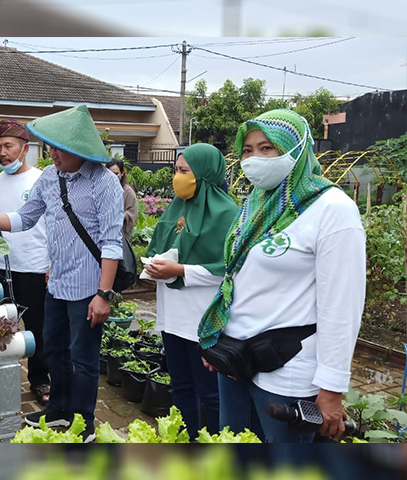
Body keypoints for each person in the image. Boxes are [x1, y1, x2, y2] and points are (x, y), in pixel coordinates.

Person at [198, 109, 366, 443]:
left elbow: (342, 306)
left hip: (287, 370)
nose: (254, 158)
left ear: (296, 149)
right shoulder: (256, 203)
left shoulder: (332, 208)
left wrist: (332, 387)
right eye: (247, 150)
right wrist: (217, 341)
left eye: (267, 148)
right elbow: (238, 281)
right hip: (236, 360)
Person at [0, 105, 124, 443]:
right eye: (50, 147)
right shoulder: (49, 178)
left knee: (83, 359)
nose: (52, 154)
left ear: (79, 149)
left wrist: (104, 295)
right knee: (53, 348)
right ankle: (58, 409)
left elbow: (112, 243)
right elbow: (26, 217)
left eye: (58, 148)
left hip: (89, 288)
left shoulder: (104, 183)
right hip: (56, 284)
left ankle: (83, 422)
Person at [144, 143, 239, 440]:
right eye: (176, 170)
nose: (177, 177)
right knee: (181, 385)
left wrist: (181, 271)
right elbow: (162, 246)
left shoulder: (227, 214)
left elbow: (230, 269)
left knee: (210, 392)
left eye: (184, 171)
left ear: (204, 173)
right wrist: (155, 267)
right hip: (172, 315)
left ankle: (212, 444)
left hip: (203, 320)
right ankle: (186, 439)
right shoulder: (176, 207)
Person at [0, 119, 51, 406]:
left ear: (25, 149)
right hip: (0, 266)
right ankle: (1, 376)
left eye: (8, 146)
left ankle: (39, 379)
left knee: (37, 327)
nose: (2, 153)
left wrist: (52, 263)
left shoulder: (41, 180)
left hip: (35, 266)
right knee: (1, 326)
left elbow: (53, 225)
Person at [106, 157, 138, 240]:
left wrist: (118, 217)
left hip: (120, 235)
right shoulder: (103, 190)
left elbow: (132, 212)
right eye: (110, 173)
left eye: (116, 173)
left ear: (122, 173)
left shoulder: (128, 191)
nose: (113, 177)